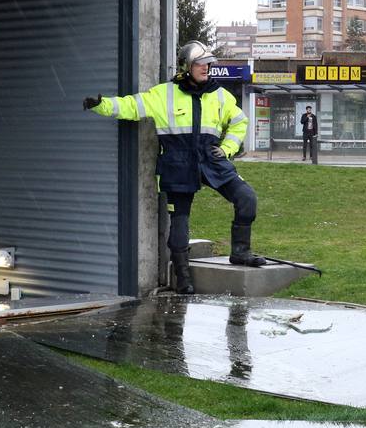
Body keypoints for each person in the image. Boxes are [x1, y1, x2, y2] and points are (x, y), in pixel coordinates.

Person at [83, 41, 265, 294]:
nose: (206, 68)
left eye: (209, 63)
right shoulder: (163, 94)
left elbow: (239, 122)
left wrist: (226, 149)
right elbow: (131, 106)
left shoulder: (220, 95)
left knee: (247, 198)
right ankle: (183, 278)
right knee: (179, 222)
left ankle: (240, 253)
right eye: (200, 64)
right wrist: (102, 105)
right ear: (186, 66)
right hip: (177, 162)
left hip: (211, 158)